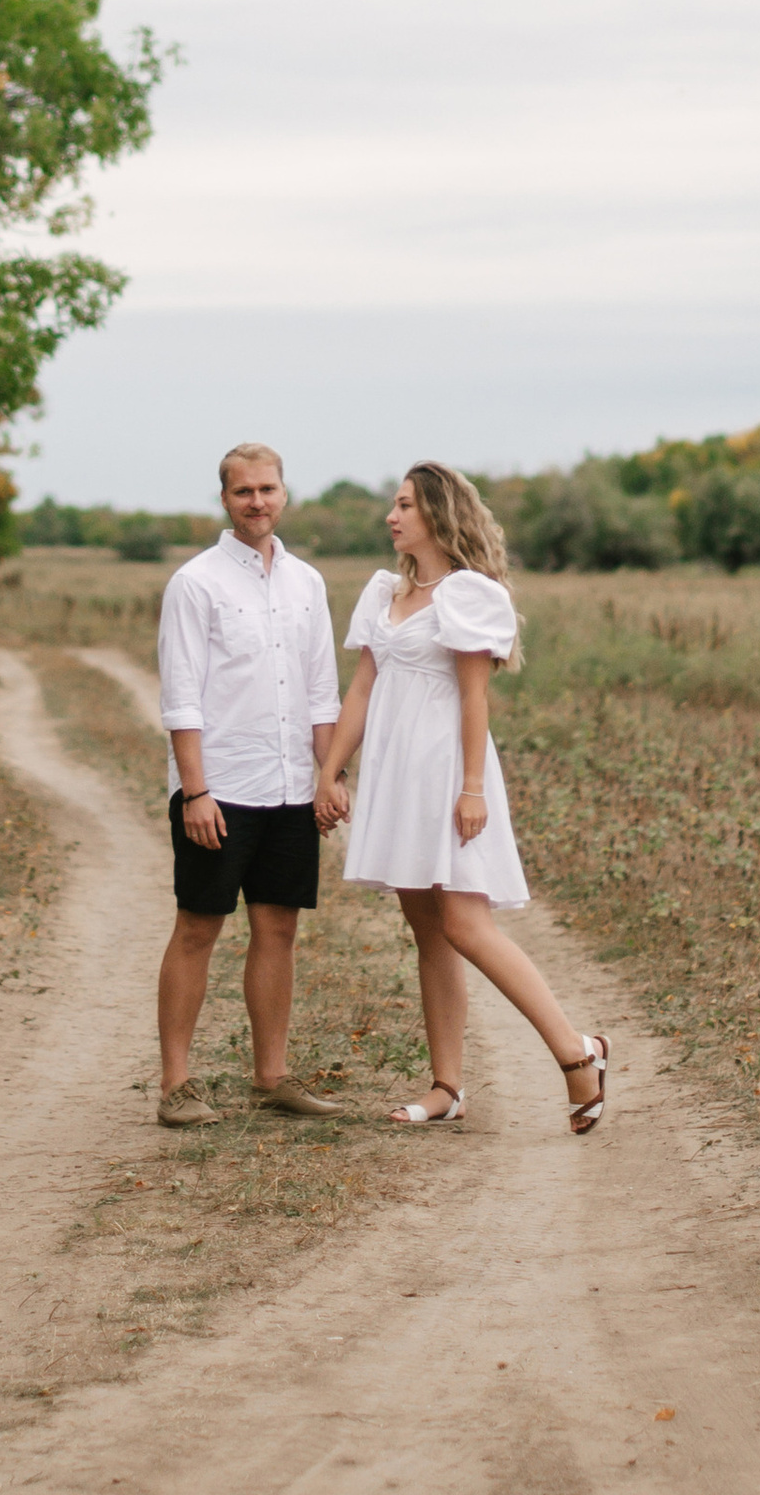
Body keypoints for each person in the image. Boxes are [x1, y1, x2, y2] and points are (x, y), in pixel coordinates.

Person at [314, 461, 609, 1135]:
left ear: (438, 514)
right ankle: (447, 1086)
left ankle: (576, 1052)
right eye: (393, 505)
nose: (391, 516)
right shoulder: (384, 592)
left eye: (405, 505)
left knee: (466, 924)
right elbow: (362, 687)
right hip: (396, 774)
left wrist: (472, 789)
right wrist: (331, 771)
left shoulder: (467, 593)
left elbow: (475, 697)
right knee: (428, 930)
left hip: (447, 770)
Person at [154, 442, 345, 1129]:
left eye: (267, 489)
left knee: (278, 927)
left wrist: (328, 777)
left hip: (290, 786)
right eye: (243, 491)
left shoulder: (307, 583)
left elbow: (322, 691)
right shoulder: (195, 583)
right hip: (221, 787)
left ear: (284, 493)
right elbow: (181, 695)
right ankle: (176, 1084)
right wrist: (195, 791)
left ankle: (272, 1076)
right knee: (198, 927)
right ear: (225, 499)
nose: (257, 502)